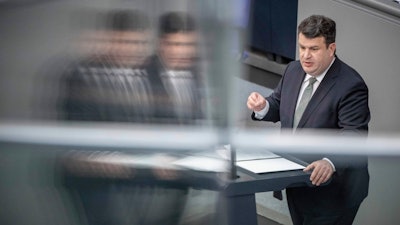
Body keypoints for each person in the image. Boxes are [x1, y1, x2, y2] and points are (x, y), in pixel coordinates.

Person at [247, 15, 370, 225]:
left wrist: (329, 161)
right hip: (298, 181)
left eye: (313, 49)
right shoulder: (294, 69)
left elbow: (354, 134)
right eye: (302, 47)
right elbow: (279, 103)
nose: (305, 55)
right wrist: (263, 106)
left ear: (331, 49)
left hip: (334, 193)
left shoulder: (351, 85)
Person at [147, 11, 206, 125]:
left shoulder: (197, 75)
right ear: (161, 44)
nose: (185, 52)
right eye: (177, 44)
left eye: (190, 45)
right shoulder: (145, 74)